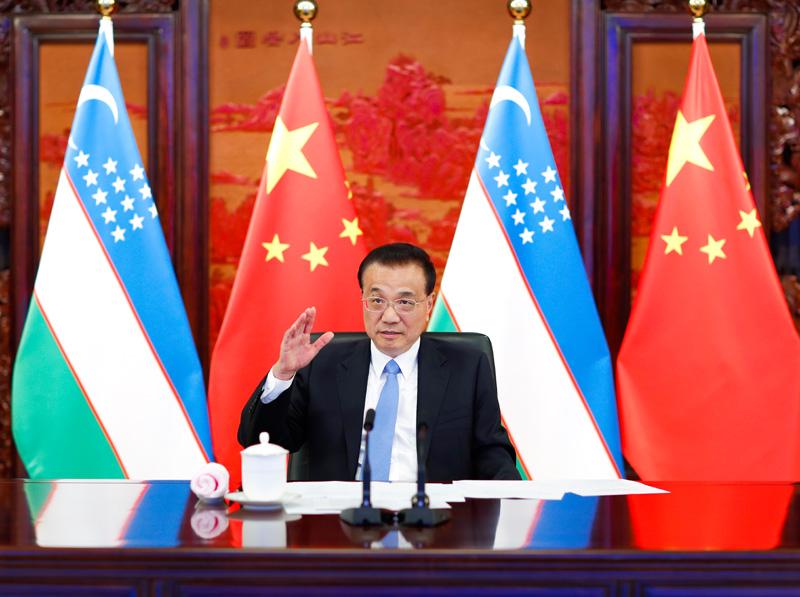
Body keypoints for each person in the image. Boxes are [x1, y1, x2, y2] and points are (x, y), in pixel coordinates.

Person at [238, 243, 520, 482]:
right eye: (377, 301)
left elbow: (493, 456)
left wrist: (517, 509)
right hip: (340, 518)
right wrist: (283, 373)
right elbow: (262, 440)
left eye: (405, 303)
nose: (389, 317)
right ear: (363, 300)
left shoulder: (467, 367)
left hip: (434, 518)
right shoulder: (321, 365)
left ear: (428, 305)